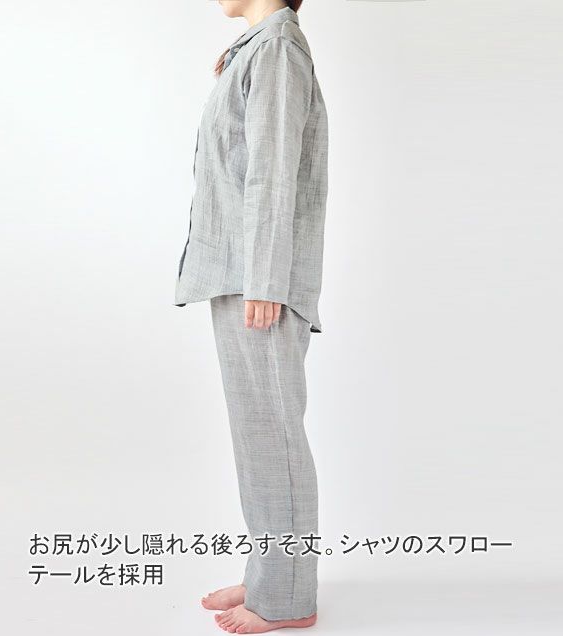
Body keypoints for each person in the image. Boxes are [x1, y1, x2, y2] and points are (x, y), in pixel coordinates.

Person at [173, 0, 328, 632]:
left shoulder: (277, 51)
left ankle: (286, 598)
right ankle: (272, 574)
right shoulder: (257, 50)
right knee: (259, 440)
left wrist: (264, 277)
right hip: (239, 272)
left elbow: (271, 171)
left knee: (274, 440)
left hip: (257, 279)